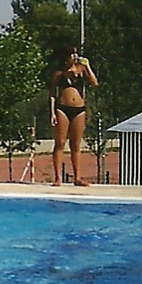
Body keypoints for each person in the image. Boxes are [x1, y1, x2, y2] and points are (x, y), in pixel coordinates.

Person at [49, 45, 99, 186]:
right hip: (62, 108)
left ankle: (77, 177)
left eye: (75, 54)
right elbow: (52, 94)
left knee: (76, 144)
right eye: (71, 54)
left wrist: (87, 66)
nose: (74, 56)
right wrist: (52, 112)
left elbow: (94, 83)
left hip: (79, 109)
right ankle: (58, 177)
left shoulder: (81, 70)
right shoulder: (59, 73)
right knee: (60, 143)